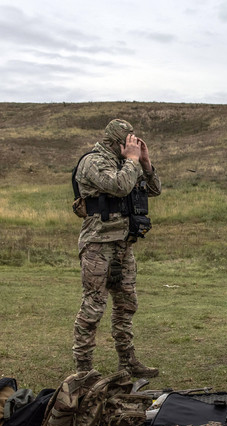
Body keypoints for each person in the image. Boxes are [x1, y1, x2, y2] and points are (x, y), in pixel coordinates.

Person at [72, 119, 162, 378]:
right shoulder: (93, 162)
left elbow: (154, 189)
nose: (132, 145)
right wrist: (133, 161)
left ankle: (128, 361)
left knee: (126, 304)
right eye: (128, 141)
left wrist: (144, 163)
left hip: (124, 244)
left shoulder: (128, 163)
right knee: (93, 305)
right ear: (114, 142)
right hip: (98, 244)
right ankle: (84, 369)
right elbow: (120, 187)